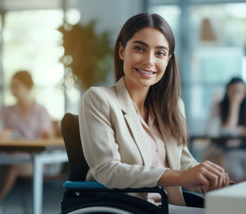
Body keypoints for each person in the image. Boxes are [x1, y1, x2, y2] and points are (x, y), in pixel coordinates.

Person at [79, 13, 230, 213]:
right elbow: (108, 170)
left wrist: (207, 179)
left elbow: (183, 162)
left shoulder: (173, 106)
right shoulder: (99, 99)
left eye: (159, 53)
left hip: (170, 206)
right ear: (122, 52)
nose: (149, 61)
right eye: (140, 49)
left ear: (168, 61)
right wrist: (181, 177)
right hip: (125, 208)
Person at [0, 70, 53, 214]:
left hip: (32, 161)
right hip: (6, 156)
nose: (13, 90)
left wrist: (45, 134)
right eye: (11, 86)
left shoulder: (41, 111)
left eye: (17, 86)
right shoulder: (7, 110)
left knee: (12, 166)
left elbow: (47, 138)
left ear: (28, 88)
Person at [204, 77, 246, 182]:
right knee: (235, 171)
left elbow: (243, 130)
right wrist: (234, 104)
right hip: (222, 151)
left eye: (240, 91)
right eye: (233, 91)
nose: (236, 94)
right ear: (227, 91)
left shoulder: (244, 109)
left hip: (242, 150)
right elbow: (226, 132)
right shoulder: (217, 107)